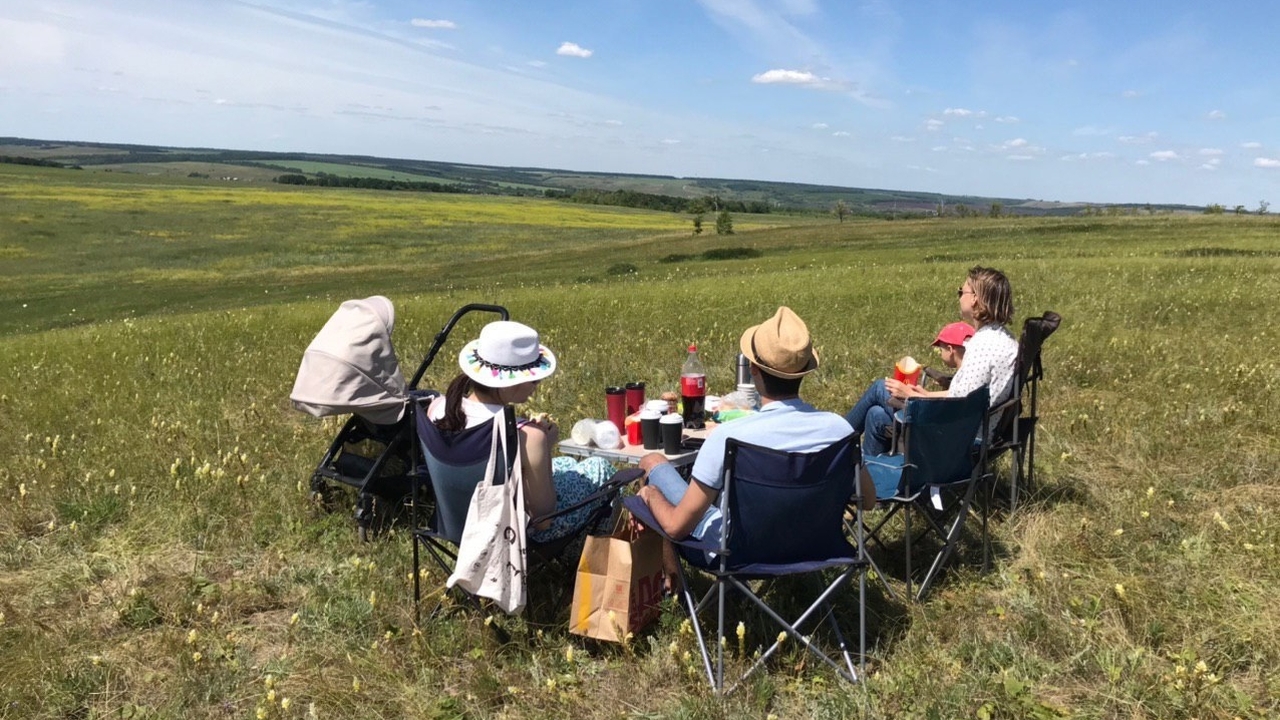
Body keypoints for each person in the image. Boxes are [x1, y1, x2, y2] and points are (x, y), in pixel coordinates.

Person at [634, 307, 876, 555]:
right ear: (806, 370)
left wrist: (651, 495)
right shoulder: (841, 431)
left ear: (753, 369)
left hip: (735, 554)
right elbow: (868, 500)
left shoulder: (728, 437)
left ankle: (668, 584)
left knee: (652, 461)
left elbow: (676, 527)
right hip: (817, 548)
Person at [428, 320, 614, 541]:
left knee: (570, 465)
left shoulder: (438, 409)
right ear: (509, 382)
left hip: (457, 524)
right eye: (534, 379)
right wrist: (541, 442)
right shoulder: (527, 437)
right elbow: (544, 520)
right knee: (600, 468)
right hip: (510, 534)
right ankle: (593, 556)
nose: (539, 384)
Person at [845, 266, 1016, 457]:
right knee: (876, 415)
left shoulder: (983, 346)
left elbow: (960, 406)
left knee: (879, 388)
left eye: (962, 291)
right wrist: (926, 394)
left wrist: (912, 397)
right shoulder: (1004, 340)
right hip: (973, 429)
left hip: (957, 436)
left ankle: (832, 445)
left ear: (975, 298)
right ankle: (869, 479)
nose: (959, 296)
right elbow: (964, 394)